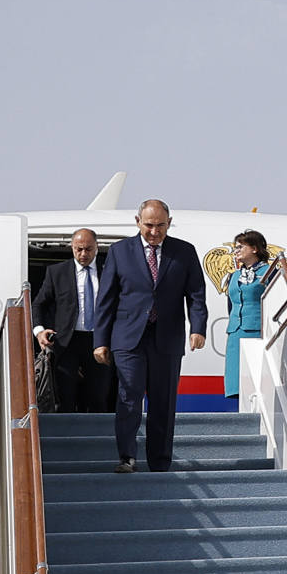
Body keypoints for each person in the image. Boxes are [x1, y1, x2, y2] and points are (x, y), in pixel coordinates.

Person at [92, 199, 207, 473]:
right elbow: (106, 299)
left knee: (163, 401)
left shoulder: (184, 251)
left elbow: (196, 295)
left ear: (169, 223)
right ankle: (127, 457)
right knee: (129, 396)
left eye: (161, 226)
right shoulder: (120, 251)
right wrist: (101, 341)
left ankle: (159, 462)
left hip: (167, 337)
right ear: (137, 222)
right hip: (128, 337)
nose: (154, 232)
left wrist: (198, 328)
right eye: (149, 225)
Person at [32, 228, 112, 413]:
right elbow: (39, 304)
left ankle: (97, 431)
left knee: (98, 396)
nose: (83, 254)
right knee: (64, 395)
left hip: (99, 340)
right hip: (66, 342)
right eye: (78, 249)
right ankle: (65, 431)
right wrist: (39, 331)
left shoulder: (110, 270)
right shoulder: (57, 272)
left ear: (97, 247)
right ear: (72, 247)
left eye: (88, 249)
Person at [223, 229, 271, 398]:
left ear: (254, 249)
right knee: (236, 378)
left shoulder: (268, 272)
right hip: (236, 330)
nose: (236, 251)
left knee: (256, 380)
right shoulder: (234, 275)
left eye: (240, 247)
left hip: (257, 330)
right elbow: (231, 304)